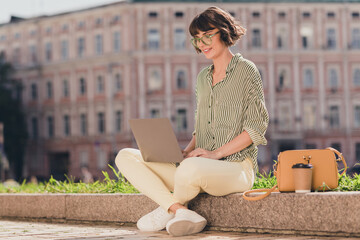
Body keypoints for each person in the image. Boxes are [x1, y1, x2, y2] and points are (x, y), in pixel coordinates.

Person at [115, 6, 269, 237]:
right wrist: (185, 152)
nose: (202, 43)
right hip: (196, 166)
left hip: (236, 168)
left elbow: (256, 128)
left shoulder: (246, 70)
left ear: (225, 32)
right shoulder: (202, 79)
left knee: (191, 168)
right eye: (197, 38)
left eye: (208, 35)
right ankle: (179, 210)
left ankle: (169, 209)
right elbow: (201, 128)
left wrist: (215, 154)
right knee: (125, 156)